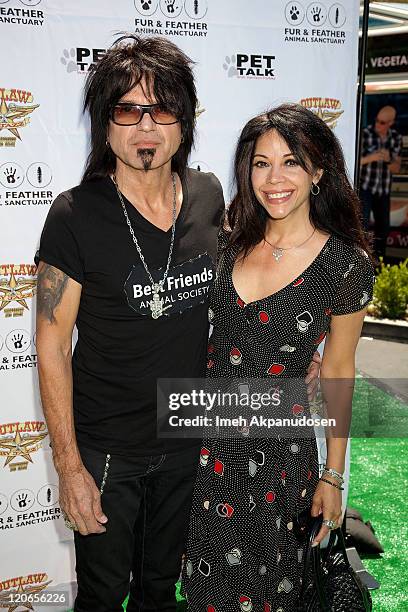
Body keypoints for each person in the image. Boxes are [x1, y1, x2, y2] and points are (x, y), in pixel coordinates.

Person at [35, 36, 320, 611]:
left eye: (161, 109)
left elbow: (265, 270)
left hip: (193, 441)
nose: (145, 126)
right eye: (127, 110)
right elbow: (50, 345)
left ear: (184, 122)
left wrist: (306, 345)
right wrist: (69, 466)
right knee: (102, 595)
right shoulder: (74, 213)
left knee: (163, 592)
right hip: (107, 451)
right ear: (105, 123)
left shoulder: (210, 195)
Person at [182, 104, 375, 610]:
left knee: (276, 592)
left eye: (291, 162)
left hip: (281, 463)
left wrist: (333, 476)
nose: (274, 178)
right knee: (208, 593)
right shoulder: (227, 245)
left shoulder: (345, 264)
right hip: (208, 455)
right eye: (261, 163)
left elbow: (337, 370)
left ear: (317, 171)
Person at [360, 105, 402, 259]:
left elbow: (396, 168)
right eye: (377, 120)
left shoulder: (396, 138)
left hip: (383, 189)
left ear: (391, 123)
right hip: (365, 187)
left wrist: (388, 158)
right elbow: (353, 161)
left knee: (383, 229)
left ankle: (379, 263)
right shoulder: (365, 133)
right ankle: (362, 262)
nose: (378, 124)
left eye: (383, 122)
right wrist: (370, 158)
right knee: (361, 227)